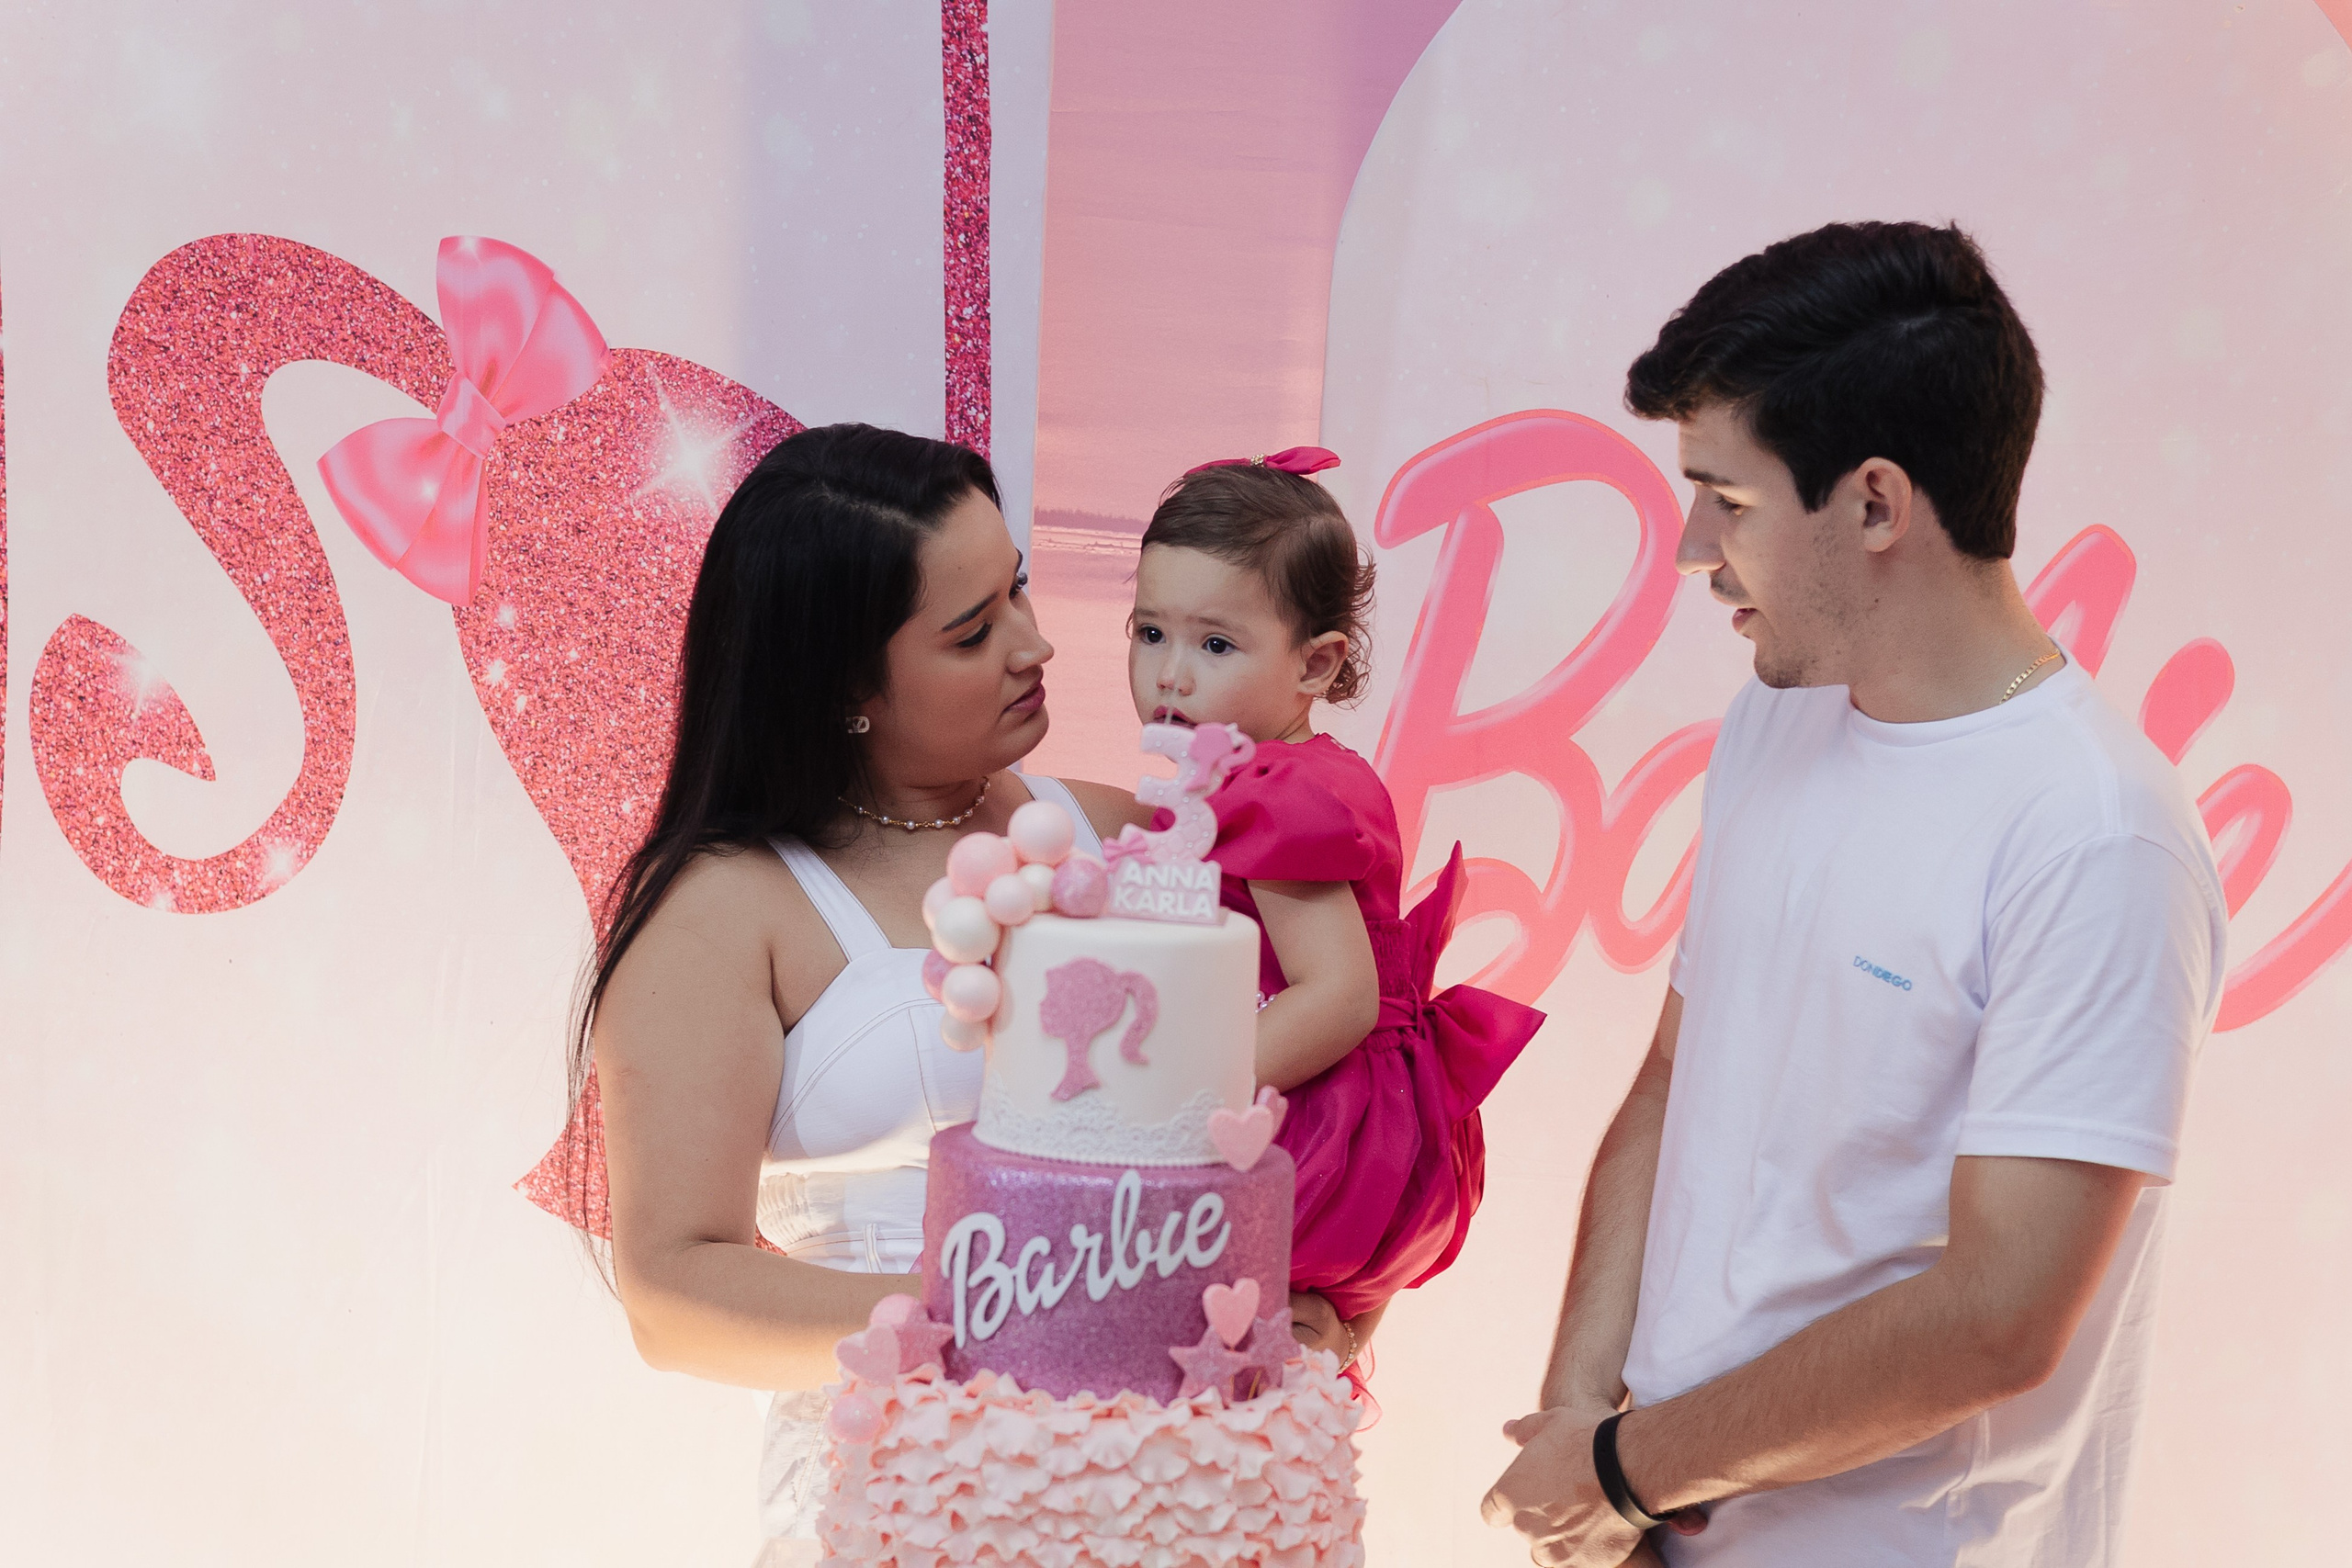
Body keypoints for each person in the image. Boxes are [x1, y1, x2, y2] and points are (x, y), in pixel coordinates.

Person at [1482, 223, 2226, 1567]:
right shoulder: (1781, 719)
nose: (1692, 547)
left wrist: (1626, 1467)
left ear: (1877, 502)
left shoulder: (2096, 834)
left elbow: (2000, 1310)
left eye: (1730, 498)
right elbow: (1672, 1075)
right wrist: (1586, 1423)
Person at [569, 425, 1356, 1564]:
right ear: (844, 683)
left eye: (1019, 591)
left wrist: (1311, 1290)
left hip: (1170, 1480)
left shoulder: (1136, 836)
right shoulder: (723, 910)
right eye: (974, 630)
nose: (1036, 645)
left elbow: (1319, 1075)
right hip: (905, 1487)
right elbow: (671, 1295)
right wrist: (1017, 1316)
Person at [1126, 449, 1545, 1372]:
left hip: (1319, 1124)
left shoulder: (1273, 790)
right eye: (1148, 632)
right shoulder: (1283, 773)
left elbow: (1338, 996)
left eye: (1215, 645)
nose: (1169, 676)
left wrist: (1171, 1105)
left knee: (1197, 1367)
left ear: (1315, 665)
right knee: (1259, 1385)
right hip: (1352, 1116)